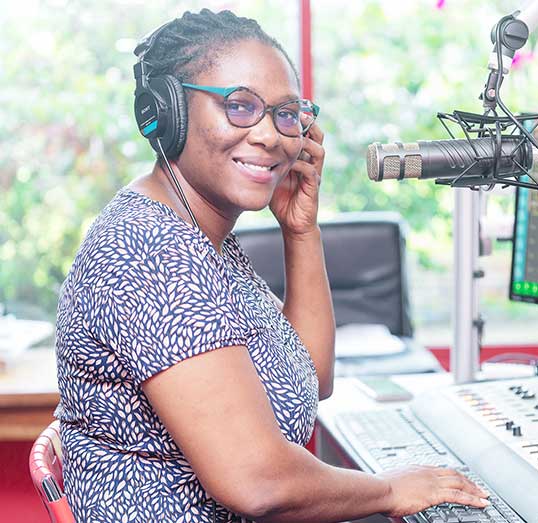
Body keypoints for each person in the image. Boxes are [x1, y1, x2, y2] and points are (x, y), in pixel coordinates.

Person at [54, 9, 489, 523]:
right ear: (165, 114)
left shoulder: (204, 237)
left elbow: (312, 378)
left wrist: (300, 228)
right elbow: (258, 482)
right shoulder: (152, 251)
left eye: (286, 113)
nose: (270, 136)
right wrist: (389, 490)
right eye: (239, 106)